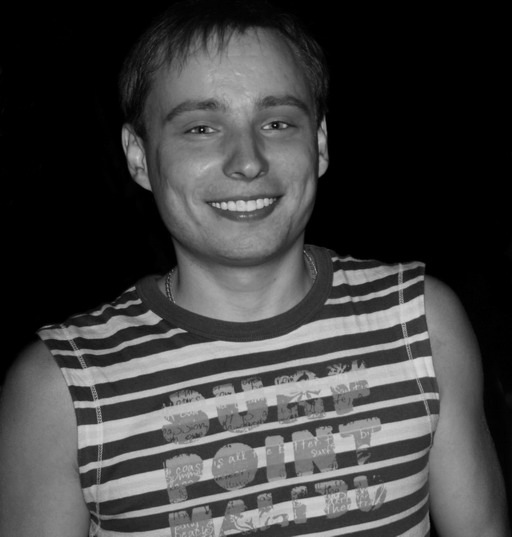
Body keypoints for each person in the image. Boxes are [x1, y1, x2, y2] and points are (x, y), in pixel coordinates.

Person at [0, 0, 509, 535]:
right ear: (138, 156)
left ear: (319, 143)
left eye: (277, 122)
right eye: (201, 128)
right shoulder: (62, 388)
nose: (248, 161)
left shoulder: (420, 324)